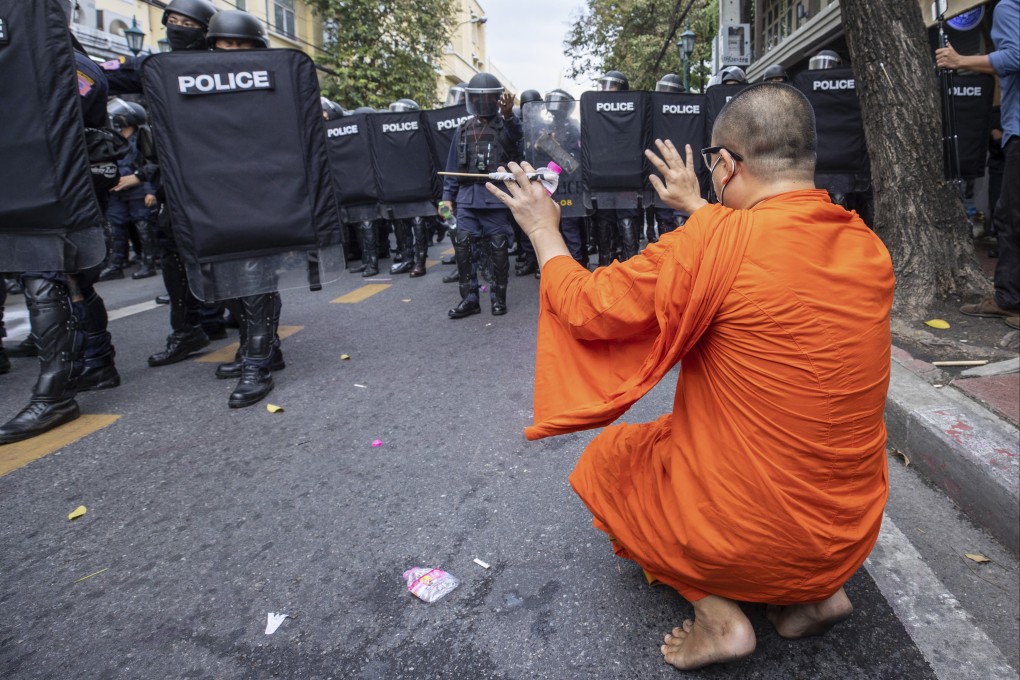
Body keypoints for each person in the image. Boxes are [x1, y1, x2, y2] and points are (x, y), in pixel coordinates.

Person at [487, 83, 894, 670]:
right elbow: (766, 255)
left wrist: (542, 227)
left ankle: (718, 617)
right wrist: (701, 207)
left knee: (610, 461)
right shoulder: (864, 243)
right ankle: (819, 594)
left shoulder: (710, 243)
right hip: (847, 536)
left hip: (743, 536)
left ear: (726, 165)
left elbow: (588, 306)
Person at [1, 0, 122, 443]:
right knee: (64, 279)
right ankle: (95, 362)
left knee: (51, 274)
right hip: (30, 184)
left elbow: (78, 105)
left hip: (67, 187)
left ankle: (59, 390)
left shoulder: (70, 63)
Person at [937, 0, 1019, 329]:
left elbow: (1014, 56)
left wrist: (960, 59)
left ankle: (1010, 301)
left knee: (1011, 218)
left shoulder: (1009, 6)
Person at [441, 72, 521, 318]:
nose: (483, 103)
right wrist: (446, 198)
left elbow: (517, 142)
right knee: (463, 250)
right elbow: (453, 165)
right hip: (466, 200)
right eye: (478, 98)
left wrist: (508, 115)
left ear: (497, 99)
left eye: (488, 98)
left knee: (498, 250)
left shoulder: (506, 124)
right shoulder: (463, 128)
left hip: (495, 198)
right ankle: (470, 300)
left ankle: (498, 300)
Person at [100, 99, 158, 281]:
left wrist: (150, 191)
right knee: (114, 227)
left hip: (138, 190)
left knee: (143, 225)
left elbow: (149, 164)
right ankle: (115, 265)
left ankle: (148, 262)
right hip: (117, 192)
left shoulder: (141, 138)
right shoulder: (113, 139)